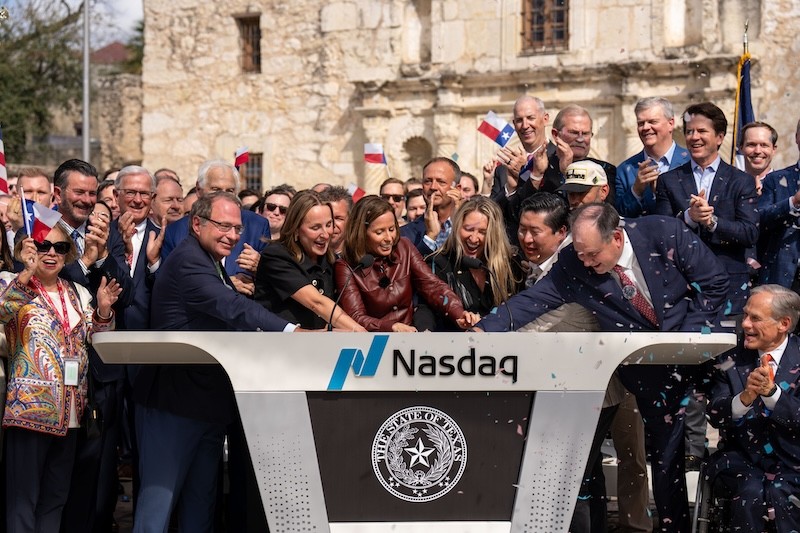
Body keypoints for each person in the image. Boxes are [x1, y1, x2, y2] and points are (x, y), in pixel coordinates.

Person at [474, 203, 729, 532]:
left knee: (741, 424)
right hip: (648, 371)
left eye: (592, 254)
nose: (585, 262)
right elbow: (533, 301)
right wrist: (484, 329)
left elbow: (715, 282)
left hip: (702, 350)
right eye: (579, 253)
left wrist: (687, 341)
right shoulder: (573, 264)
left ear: (617, 239)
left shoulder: (664, 233)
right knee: (666, 458)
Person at [132, 192, 309, 533]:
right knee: (158, 511)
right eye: (223, 226)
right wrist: (292, 330)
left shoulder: (209, 259)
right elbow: (233, 308)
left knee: (201, 510)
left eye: (237, 228)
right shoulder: (188, 261)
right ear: (196, 224)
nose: (232, 235)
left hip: (208, 405)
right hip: (173, 405)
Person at [1, 227, 121, 533]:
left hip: (70, 412)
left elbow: (97, 340)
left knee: (55, 498)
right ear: (28, 248)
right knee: (22, 499)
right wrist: (26, 273)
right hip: (29, 410)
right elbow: (2, 311)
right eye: (43, 245)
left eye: (59, 246)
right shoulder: (10, 283)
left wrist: (104, 313)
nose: (51, 252)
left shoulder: (77, 292)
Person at [707, 284, 800, 532]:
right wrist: (745, 398)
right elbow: (715, 413)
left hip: (794, 462)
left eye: (755, 318)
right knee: (750, 494)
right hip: (741, 459)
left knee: (783, 496)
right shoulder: (729, 358)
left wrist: (772, 395)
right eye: (745, 315)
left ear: (784, 323)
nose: (745, 324)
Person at [655, 101, 759, 317]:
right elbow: (660, 234)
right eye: (690, 131)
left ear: (720, 137)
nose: (694, 137)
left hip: (730, 288)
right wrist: (689, 218)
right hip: (683, 288)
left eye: (702, 131)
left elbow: (750, 233)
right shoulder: (669, 180)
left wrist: (712, 222)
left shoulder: (741, 181)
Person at [336, 195, 476, 332]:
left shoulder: (404, 247)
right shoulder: (345, 265)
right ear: (361, 233)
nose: (389, 238)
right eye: (379, 232)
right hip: (373, 343)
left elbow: (433, 285)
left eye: (392, 229)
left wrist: (458, 313)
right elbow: (355, 317)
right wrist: (390, 327)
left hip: (410, 337)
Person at [254, 191, 364, 330]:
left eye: (329, 224)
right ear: (296, 228)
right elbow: (316, 303)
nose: (325, 234)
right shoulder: (276, 256)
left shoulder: (331, 260)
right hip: (277, 347)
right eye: (315, 227)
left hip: (317, 347)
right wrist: (362, 335)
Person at [160, 160, 270, 295]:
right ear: (199, 190)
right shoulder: (175, 231)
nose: (223, 196)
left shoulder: (257, 225)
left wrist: (261, 267)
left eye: (230, 191)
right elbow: (170, 285)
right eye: (216, 190)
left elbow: (271, 285)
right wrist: (224, 283)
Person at [426, 196, 522, 320]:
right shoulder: (440, 263)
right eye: (468, 229)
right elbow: (427, 311)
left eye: (482, 232)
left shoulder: (511, 265)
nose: (473, 238)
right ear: (457, 228)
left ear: (494, 235)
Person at [615, 96, 691, 217]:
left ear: (671, 124)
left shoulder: (691, 162)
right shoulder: (624, 171)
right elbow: (617, 216)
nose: (645, 127)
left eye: (652, 122)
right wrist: (636, 191)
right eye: (641, 123)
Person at [757, 117, 800, 288]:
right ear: (797, 138)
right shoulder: (776, 180)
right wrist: (793, 202)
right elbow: (759, 219)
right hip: (783, 280)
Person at [401, 157, 463, 255]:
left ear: (457, 189)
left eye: (441, 182)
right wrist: (430, 238)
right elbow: (408, 268)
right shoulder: (406, 234)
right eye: (428, 181)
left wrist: (459, 223)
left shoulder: (468, 228)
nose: (433, 187)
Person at [739, 121, 778, 193]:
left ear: (773, 149)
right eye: (751, 144)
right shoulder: (729, 185)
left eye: (764, 145)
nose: (757, 151)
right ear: (741, 148)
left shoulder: (785, 185)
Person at [318, 186, 352, 257]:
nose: (332, 225)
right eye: (327, 217)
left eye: (338, 218)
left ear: (350, 219)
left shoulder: (360, 260)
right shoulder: (307, 260)